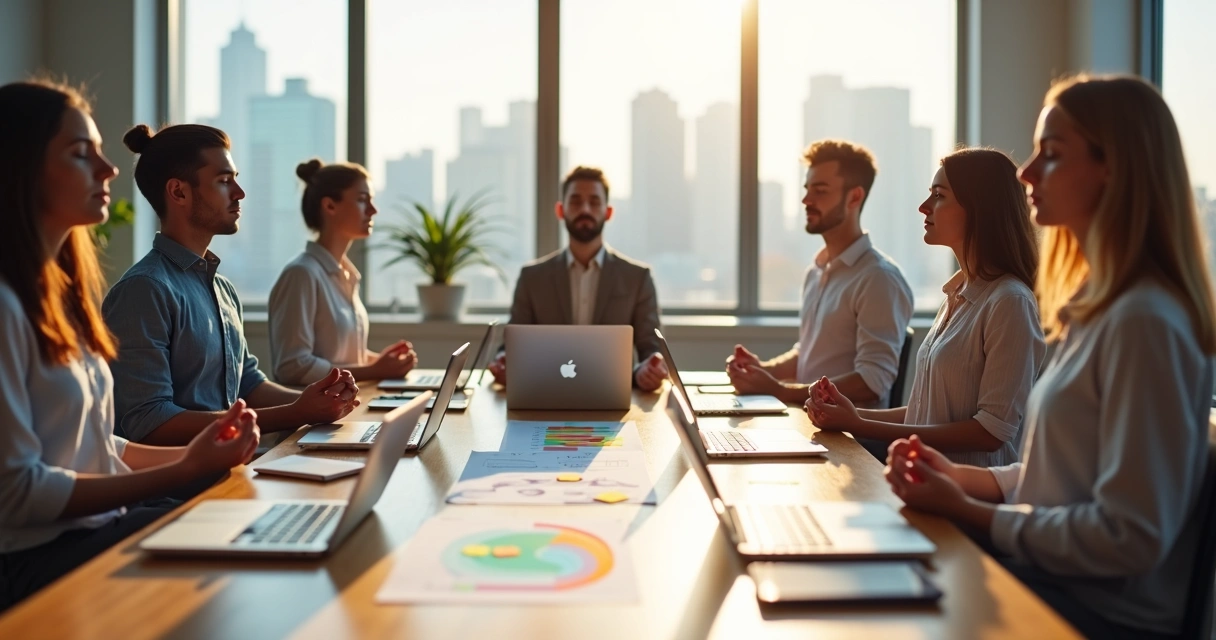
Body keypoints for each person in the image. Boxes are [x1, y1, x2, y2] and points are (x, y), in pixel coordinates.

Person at [884, 75, 1214, 639]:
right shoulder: (1099, 312)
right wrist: (963, 481)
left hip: (1092, 617)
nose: (1026, 172)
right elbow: (1060, 483)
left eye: (1052, 155)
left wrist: (972, 512)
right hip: (1052, 584)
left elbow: (1128, 535)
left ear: (1115, 168)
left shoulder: (1147, 323)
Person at [0, 80, 260, 611]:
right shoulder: (8, 308)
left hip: (92, 530)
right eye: (81, 154)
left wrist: (193, 456)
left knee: (257, 539)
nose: (109, 169)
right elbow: (19, 491)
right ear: (20, 168)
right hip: (36, 560)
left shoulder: (62, 300)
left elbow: (97, 444)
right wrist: (182, 470)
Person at [103, 123, 360, 446]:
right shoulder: (144, 291)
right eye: (224, 181)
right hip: (179, 494)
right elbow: (150, 422)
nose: (239, 193)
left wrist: (321, 401)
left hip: (233, 471)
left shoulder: (222, 288)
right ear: (179, 192)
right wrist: (297, 412)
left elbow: (247, 384)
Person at [805, 148, 1045, 467]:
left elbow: (990, 433)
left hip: (965, 495)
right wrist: (848, 412)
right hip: (925, 481)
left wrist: (858, 424)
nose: (923, 207)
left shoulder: (1009, 301)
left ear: (979, 208)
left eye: (938, 195)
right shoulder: (957, 293)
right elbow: (924, 412)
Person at [727, 140, 913, 408]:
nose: (806, 200)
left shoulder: (878, 279)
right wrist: (763, 371)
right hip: (808, 423)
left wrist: (781, 391)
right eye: (807, 189)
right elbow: (809, 354)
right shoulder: (816, 271)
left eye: (820, 190)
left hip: (850, 441)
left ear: (854, 197)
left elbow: (872, 382)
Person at [487, 166, 668, 391]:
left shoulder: (637, 277)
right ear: (560, 210)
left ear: (608, 212)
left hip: (614, 397)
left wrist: (647, 370)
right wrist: (505, 362)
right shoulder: (532, 278)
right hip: (544, 395)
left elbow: (650, 348)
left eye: (594, 202)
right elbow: (512, 346)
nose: (585, 209)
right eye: (575, 201)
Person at [268, 159, 417, 384]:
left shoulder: (346, 275)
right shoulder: (301, 274)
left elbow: (338, 359)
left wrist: (381, 362)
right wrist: (374, 371)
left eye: (372, 200)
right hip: (315, 417)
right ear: (329, 206)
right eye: (362, 200)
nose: (373, 210)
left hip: (349, 405)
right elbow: (292, 366)